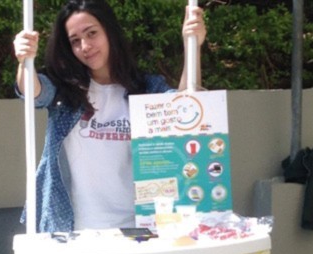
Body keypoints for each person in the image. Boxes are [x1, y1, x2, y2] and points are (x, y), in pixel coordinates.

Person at [13, 0, 207, 233]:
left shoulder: (146, 88)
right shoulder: (65, 89)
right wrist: (25, 62)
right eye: (75, 41)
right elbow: (33, 93)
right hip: (75, 231)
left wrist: (192, 46)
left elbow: (185, 110)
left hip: (143, 228)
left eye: (91, 33)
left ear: (109, 31)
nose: (85, 46)